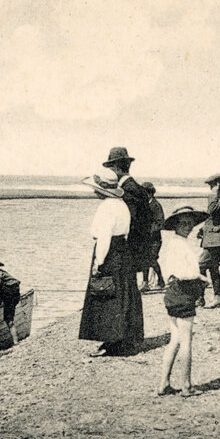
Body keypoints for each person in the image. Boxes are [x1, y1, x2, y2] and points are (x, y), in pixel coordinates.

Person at [78, 169, 143, 357]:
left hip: (110, 252)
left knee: (106, 293)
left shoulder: (106, 207)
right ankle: (126, 338)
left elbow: (104, 236)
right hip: (123, 250)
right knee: (125, 292)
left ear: (102, 190)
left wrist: (99, 262)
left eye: (95, 189)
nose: (93, 192)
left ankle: (111, 341)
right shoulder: (121, 204)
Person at [157, 206, 210, 398]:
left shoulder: (175, 243)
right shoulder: (180, 245)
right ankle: (186, 385)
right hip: (182, 293)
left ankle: (164, 383)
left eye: (190, 223)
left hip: (173, 293)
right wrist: (200, 277)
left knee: (175, 340)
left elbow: (172, 272)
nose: (188, 227)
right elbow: (182, 273)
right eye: (183, 223)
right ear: (176, 225)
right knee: (186, 341)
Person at [103, 147, 153, 284]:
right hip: (136, 249)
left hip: (128, 250)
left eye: (110, 169)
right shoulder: (136, 188)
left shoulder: (127, 190)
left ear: (117, 169)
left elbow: (129, 222)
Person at [198, 173, 220, 309]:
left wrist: (213, 193)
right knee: (213, 267)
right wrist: (203, 229)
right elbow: (211, 217)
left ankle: (201, 297)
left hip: (217, 237)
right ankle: (214, 297)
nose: (210, 188)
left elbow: (212, 210)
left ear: (218, 185)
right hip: (211, 236)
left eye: (212, 185)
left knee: (200, 265)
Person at [140, 182, 166, 291]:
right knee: (145, 259)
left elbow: (160, 222)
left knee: (152, 259)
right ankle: (145, 283)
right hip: (145, 238)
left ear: (150, 193)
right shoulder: (143, 205)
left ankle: (160, 280)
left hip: (155, 239)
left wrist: (149, 230)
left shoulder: (156, 205)